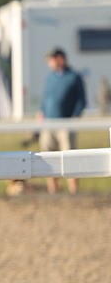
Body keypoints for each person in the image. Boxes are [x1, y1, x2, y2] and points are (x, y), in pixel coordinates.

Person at [38, 48, 86, 194]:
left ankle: (73, 190)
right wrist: (41, 113)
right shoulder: (50, 77)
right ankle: (53, 189)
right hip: (49, 123)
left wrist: (75, 116)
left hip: (66, 124)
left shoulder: (74, 77)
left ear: (60, 59)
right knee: (48, 156)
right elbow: (46, 98)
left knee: (70, 157)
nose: (49, 63)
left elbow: (81, 99)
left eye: (51, 60)